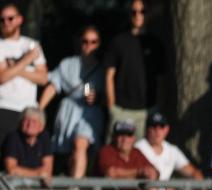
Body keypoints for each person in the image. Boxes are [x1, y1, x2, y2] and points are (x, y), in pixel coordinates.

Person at [38, 25, 104, 180]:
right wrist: (39, 110)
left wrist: (97, 99)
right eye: (85, 41)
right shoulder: (67, 64)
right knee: (69, 152)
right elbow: (54, 85)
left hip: (89, 114)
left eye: (93, 42)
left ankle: (75, 187)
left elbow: (104, 96)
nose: (89, 46)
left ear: (99, 44)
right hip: (68, 112)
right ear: (79, 43)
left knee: (80, 143)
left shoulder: (102, 68)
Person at [103, 0, 164, 142]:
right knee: (109, 154)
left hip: (146, 111)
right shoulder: (117, 42)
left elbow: (161, 79)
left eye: (142, 11)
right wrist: (111, 107)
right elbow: (106, 77)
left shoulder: (156, 44)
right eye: (134, 11)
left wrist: (158, 105)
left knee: (141, 158)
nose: (138, 15)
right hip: (118, 110)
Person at [0, 2, 47, 145]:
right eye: (2, 19)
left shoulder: (32, 45)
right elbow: (2, 77)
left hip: (28, 111)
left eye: (10, 18)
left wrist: (14, 68)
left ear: (19, 19)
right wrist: (26, 60)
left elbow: (43, 78)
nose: (6, 22)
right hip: (4, 108)